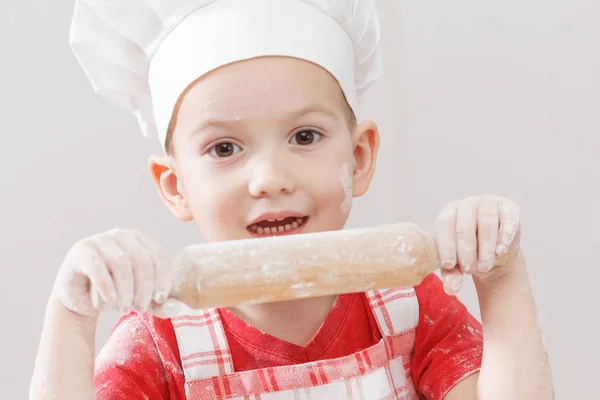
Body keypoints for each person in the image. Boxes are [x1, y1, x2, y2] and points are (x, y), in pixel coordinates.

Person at [30, 0, 554, 399]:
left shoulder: (411, 308)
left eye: (304, 137)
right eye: (225, 148)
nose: (270, 178)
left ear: (360, 156)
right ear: (175, 186)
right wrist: (71, 314)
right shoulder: (160, 347)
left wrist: (501, 278)